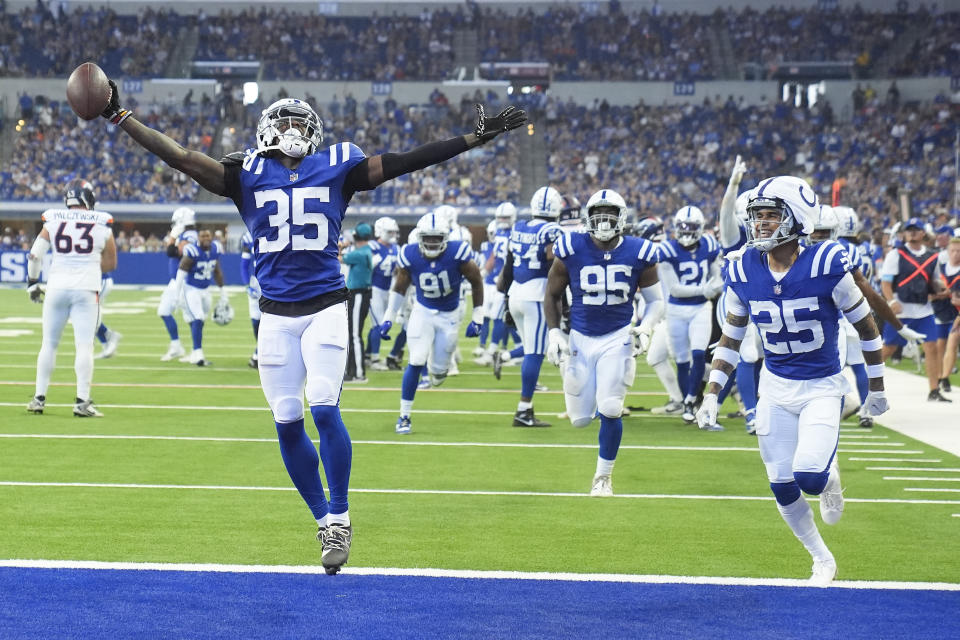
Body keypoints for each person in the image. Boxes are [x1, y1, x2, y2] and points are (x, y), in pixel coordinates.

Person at [98, 80, 525, 574]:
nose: (294, 130)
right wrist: (120, 116)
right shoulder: (245, 173)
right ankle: (322, 518)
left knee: (323, 407)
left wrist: (468, 141)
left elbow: (406, 159)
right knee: (286, 420)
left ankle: (341, 516)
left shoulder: (338, 167)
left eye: (302, 123)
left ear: (315, 132)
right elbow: (181, 156)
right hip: (277, 314)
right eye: (285, 122)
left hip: (325, 305)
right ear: (265, 131)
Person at [697, 176, 889, 587]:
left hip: (821, 385)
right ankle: (821, 558)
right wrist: (712, 393)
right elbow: (731, 336)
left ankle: (830, 475)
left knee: (809, 477)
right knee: (781, 482)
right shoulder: (741, 267)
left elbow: (867, 326)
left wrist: (876, 386)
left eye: (771, 215)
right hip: (776, 386)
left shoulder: (827, 263)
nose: (761, 224)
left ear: (796, 217)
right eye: (757, 216)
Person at [544, 189, 662, 496]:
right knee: (581, 419)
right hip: (580, 339)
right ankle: (589, 390)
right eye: (598, 214)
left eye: (610, 214)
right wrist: (555, 332)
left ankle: (603, 477)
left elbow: (656, 301)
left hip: (618, 336)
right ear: (587, 218)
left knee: (610, 408)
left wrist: (645, 327)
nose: (604, 220)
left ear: (621, 218)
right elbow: (552, 294)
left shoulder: (640, 251)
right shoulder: (571, 246)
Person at [379, 212, 484, 434]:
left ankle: (437, 373)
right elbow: (400, 287)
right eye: (428, 237)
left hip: (449, 316)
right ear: (419, 236)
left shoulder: (458, 252)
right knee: (416, 360)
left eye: (437, 238)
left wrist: (478, 316)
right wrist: (389, 317)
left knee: (438, 376)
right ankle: (404, 416)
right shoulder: (409, 254)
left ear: (446, 237)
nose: (432, 242)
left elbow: (476, 282)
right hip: (423, 311)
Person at [25, 179, 117, 417]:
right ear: (89, 199)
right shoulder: (101, 223)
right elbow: (111, 263)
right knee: (84, 345)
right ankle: (81, 402)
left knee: (49, 343)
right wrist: (89, 264)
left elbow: (35, 255)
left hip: (57, 286)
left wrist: (33, 283)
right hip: (86, 288)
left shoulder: (53, 220)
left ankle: (38, 398)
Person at [498, 186, 565, 427]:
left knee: (530, 352)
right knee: (534, 354)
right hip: (537, 296)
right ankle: (523, 410)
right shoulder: (553, 230)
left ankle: (526, 408)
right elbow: (558, 268)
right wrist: (564, 304)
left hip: (516, 292)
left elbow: (507, 267)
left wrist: (506, 301)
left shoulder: (518, 227)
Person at [658, 205, 723, 423]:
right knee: (682, 360)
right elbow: (675, 288)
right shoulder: (667, 249)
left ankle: (691, 399)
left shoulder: (710, 244)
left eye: (691, 227)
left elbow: (718, 275)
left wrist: (716, 286)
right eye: (682, 227)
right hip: (676, 310)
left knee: (697, 355)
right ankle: (689, 401)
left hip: (701, 308)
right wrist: (704, 289)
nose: (686, 231)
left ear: (700, 228)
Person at [880, 217, 950, 402]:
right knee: (888, 348)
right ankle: (867, 381)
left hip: (924, 310)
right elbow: (886, 283)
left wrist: (940, 287)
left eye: (915, 229)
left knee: (932, 347)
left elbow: (933, 280)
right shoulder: (896, 254)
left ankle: (934, 390)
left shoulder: (932, 256)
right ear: (904, 233)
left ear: (922, 233)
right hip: (901, 310)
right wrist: (891, 301)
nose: (911, 232)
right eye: (908, 230)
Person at [173, 228, 226, 367]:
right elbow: (181, 273)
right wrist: (176, 295)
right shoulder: (192, 251)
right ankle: (198, 354)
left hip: (206, 290)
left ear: (211, 236)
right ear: (198, 238)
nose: (206, 238)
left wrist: (223, 293)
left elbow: (217, 271)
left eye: (208, 236)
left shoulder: (216, 248)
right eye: (202, 236)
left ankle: (194, 352)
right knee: (198, 318)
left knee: (200, 321)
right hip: (191, 289)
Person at [158, 207, 198, 361]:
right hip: (175, 281)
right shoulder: (185, 234)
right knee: (164, 311)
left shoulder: (189, 235)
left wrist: (172, 237)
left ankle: (196, 350)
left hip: (184, 282)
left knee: (191, 316)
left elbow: (173, 252)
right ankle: (176, 346)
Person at [365, 216, 400, 370]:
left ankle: (367, 355)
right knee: (378, 324)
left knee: (378, 325)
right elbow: (366, 267)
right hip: (374, 289)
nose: (393, 235)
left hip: (388, 290)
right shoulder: (372, 246)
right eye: (389, 232)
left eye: (394, 232)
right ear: (380, 231)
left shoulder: (395, 248)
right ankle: (374, 360)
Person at [342, 222, 375, 382]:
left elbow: (339, 258)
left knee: (355, 334)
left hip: (358, 294)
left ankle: (358, 373)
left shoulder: (360, 253)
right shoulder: (365, 251)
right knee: (353, 334)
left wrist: (341, 246)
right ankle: (353, 370)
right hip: (360, 294)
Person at [239, 229, 261, 368]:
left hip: (272, 283)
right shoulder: (248, 237)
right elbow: (244, 264)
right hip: (255, 283)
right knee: (255, 322)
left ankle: (258, 353)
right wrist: (247, 284)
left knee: (270, 321)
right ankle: (260, 351)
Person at [94, 269, 122, 359]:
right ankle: (106, 345)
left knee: (89, 314)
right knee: (88, 315)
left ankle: (109, 334)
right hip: (90, 282)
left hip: (100, 281)